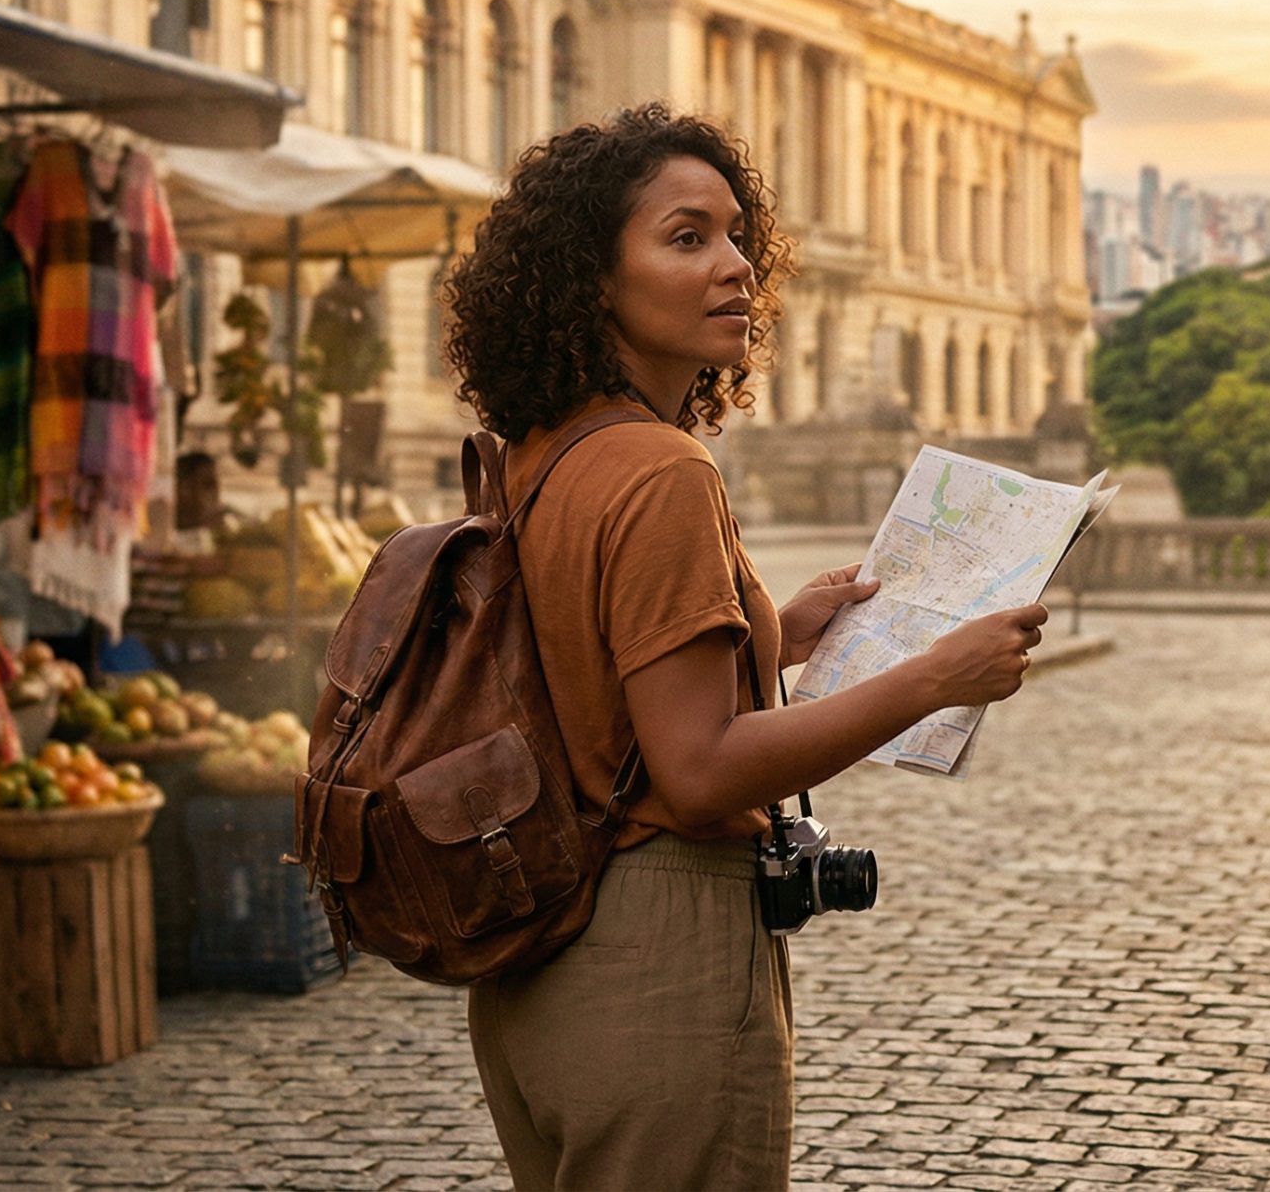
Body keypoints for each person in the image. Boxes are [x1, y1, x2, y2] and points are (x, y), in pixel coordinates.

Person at [439, 104, 1048, 1190]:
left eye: (734, 237)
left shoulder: (544, 452)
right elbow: (698, 765)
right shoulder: (663, 471)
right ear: (590, 278)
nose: (734, 269)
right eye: (685, 239)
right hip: (654, 956)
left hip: (541, 969)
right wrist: (932, 679)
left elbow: (589, 673)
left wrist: (769, 630)